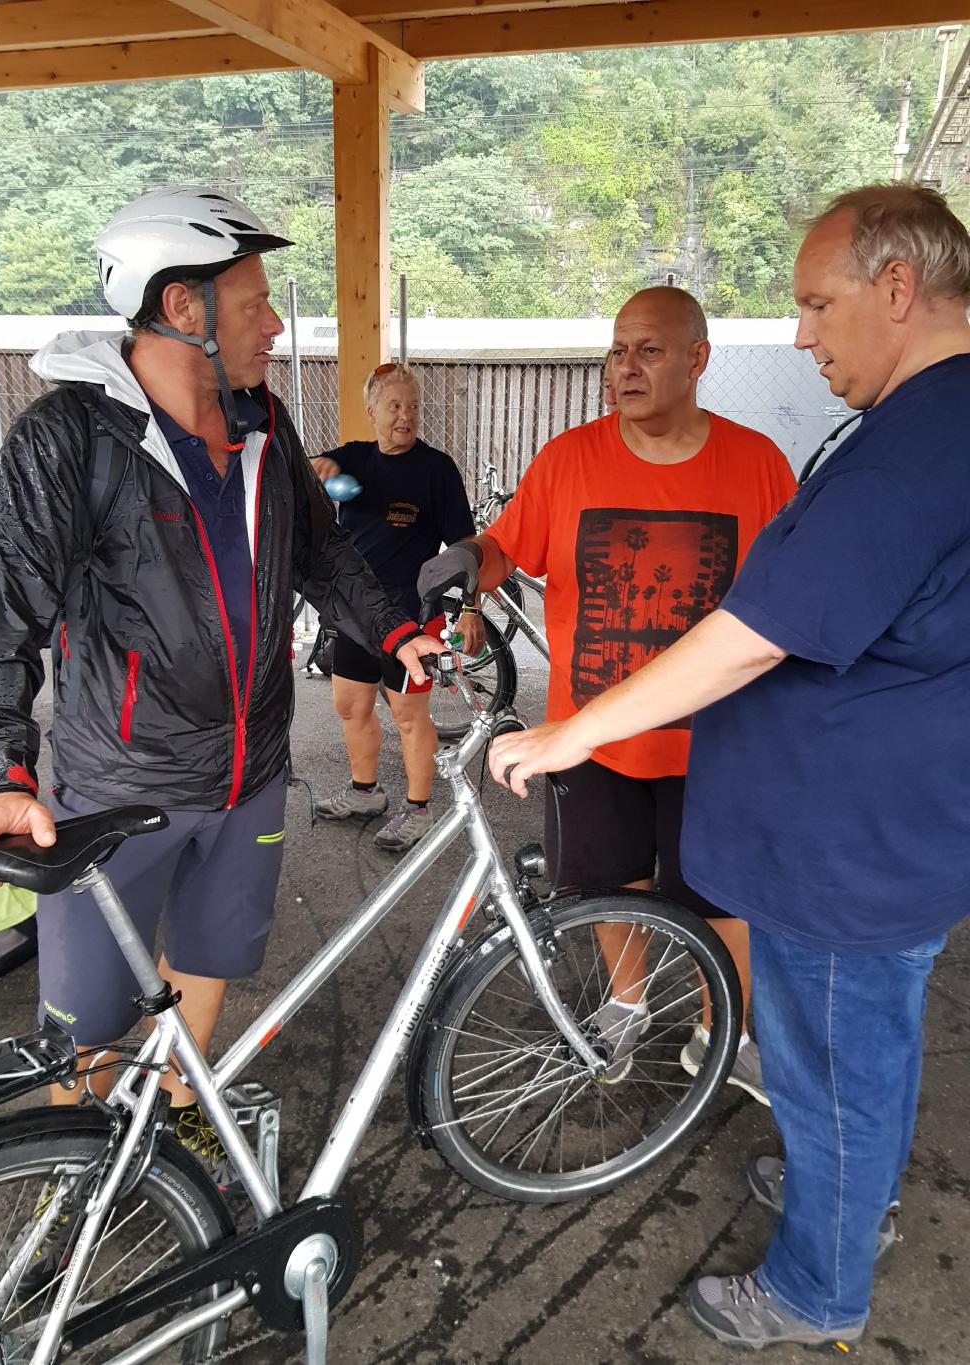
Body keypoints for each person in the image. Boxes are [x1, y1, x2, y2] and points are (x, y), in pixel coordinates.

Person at [481, 184, 970, 1351]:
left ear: (896, 286)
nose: (801, 336)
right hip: (880, 830)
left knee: (838, 1062)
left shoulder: (916, 449)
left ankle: (814, 1289)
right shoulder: (925, 424)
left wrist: (570, 731)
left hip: (851, 855)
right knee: (856, 1059)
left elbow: (756, 630)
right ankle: (848, 1197)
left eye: (816, 305)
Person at [0, 186, 441, 1176]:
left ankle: (176, 1107)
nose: (274, 323)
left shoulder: (262, 423)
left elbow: (321, 551)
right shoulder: (69, 438)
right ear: (182, 307)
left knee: (209, 958)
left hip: (251, 773)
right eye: (254, 303)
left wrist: (394, 633)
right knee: (86, 1017)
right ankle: (76, 1169)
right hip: (118, 783)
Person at [419, 286, 796, 1099]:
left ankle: (723, 1029)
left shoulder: (758, 463)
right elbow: (506, 547)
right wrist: (469, 563)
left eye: (649, 351)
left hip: (719, 741)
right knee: (606, 884)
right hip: (592, 733)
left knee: (722, 899)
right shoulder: (569, 459)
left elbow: (788, 597)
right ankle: (626, 1006)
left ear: (697, 359)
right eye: (618, 350)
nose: (625, 367)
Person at [308, 362, 482, 852]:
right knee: (351, 705)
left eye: (413, 407)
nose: (405, 416)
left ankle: (419, 808)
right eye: (394, 406)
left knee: (409, 716)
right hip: (354, 611)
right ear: (372, 411)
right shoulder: (355, 458)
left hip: (411, 614)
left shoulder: (436, 470)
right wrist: (320, 467)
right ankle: (365, 792)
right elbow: (314, 465)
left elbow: (466, 545)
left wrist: (470, 608)